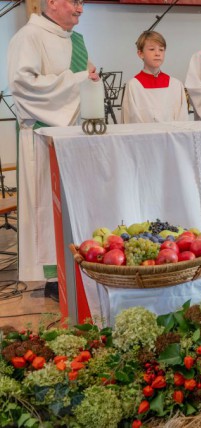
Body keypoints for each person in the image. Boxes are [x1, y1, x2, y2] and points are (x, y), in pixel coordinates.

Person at [7, 0, 99, 282]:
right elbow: (23, 85)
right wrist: (81, 78)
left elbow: (87, 83)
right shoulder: (28, 36)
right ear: (52, 2)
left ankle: (76, 266)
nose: (80, 8)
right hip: (41, 137)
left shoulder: (77, 41)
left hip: (73, 138)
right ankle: (50, 276)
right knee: (46, 207)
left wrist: (89, 81)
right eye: (74, 1)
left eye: (82, 2)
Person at [121, 31, 189, 124]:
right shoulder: (134, 85)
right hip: (145, 137)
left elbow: (182, 120)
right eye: (152, 49)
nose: (157, 53)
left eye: (161, 49)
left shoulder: (175, 85)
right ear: (140, 54)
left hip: (171, 137)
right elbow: (132, 121)